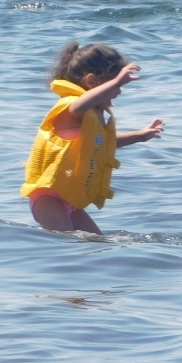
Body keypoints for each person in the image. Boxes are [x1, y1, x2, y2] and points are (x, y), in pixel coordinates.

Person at [21, 42, 164, 234]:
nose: (119, 91)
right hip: (48, 197)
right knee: (67, 246)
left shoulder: (93, 117)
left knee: (97, 243)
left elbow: (104, 143)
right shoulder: (72, 107)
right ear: (92, 82)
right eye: (114, 85)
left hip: (68, 197)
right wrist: (117, 81)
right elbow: (79, 106)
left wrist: (140, 136)